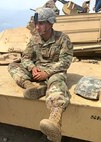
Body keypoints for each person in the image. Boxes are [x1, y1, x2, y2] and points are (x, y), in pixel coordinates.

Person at [8, 8, 73, 142]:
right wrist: (32, 68)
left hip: (54, 71)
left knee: (57, 82)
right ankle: (30, 86)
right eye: (36, 23)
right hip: (37, 70)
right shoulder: (34, 39)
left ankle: (55, 120)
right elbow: (25, 57)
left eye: (41, 23)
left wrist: (47, 73)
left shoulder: (63, 38)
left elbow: (65, 61)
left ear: (51, 23)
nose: (37, 27)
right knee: (13, 65)